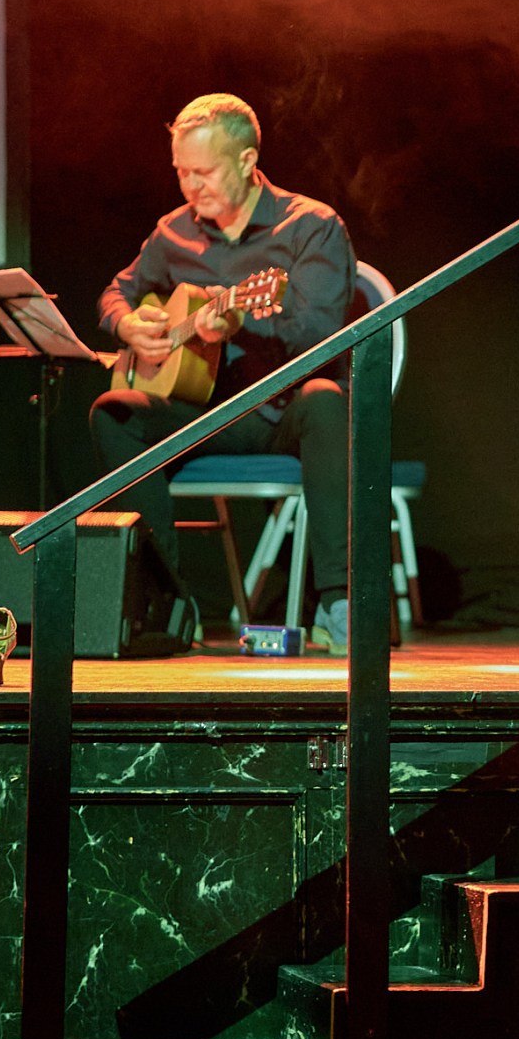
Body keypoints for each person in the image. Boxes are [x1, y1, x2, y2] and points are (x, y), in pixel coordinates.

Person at [90, 93, 357, 654]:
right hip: (201, 412)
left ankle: (338, 601)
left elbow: (321, 335)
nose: (191, 186)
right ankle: (168, 603)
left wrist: (240, 323)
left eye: (204, 172)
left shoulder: (310, 226)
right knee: (114, 412)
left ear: (247, 159)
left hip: (279, 412)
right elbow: (117, 292)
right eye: (181, 172)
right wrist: (126, 325)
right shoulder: (173, 232)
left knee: (326, 396)